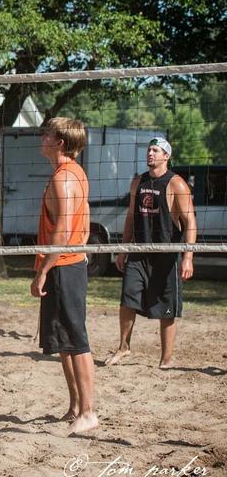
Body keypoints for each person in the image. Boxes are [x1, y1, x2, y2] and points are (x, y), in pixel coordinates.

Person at [30, 117, 98, 435]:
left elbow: (64, 231)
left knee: (77, 341)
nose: (41, 136)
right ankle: (74, 407)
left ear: (59, 142)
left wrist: (43, 270)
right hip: (65, 263)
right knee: (64, 343)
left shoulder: (66, 177)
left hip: (65, 265)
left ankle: (89, 411)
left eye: (47, 133)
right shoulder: (66, 174)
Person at [104, 137, 196, 368]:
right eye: (149, 150)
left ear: (167, 156)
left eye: (156, 150)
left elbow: (191, 223)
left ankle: (165, 360)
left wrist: (188, 257)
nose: (150, 153)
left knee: (167, 309)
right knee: (127, 300)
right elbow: (130, 217)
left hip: (166, 255)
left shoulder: (177, 184)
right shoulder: (138, 182)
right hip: (138, 252)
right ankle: (124, 348)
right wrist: (123, 249)